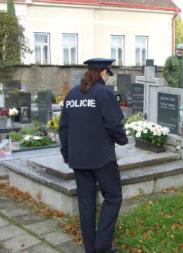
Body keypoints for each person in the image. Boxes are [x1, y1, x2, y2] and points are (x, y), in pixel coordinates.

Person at [59, 58, 128, 253]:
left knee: (86, 203)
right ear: (104, 72)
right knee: (113, 196)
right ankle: (102, 246)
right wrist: (122, 140)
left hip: (78, 158)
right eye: (108, 73)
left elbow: (63, 128)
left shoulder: (72, 94)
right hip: (102, 158)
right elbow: (114, 123)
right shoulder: (104, 93)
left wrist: (67, 153)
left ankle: (91, 248)